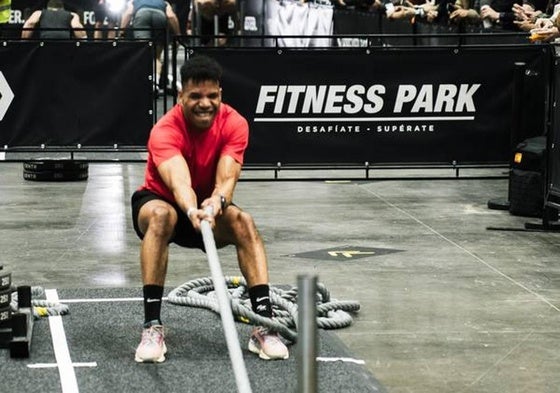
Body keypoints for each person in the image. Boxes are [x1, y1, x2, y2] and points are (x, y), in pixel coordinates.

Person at [130, 55, 290, 363]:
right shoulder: (165, 130)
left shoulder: (235, 123)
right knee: (163, 216)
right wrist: (192, 211)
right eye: (195, 96)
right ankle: (152, 327)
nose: (205, 103)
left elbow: (227, 178)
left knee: (244, 222)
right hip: (164, 203)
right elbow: (179, 183)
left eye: (212, 96)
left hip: (209, 206)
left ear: (220, 94)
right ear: (180, 97)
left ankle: (265, 327)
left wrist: (215, 204)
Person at [119, 0, 181, 92]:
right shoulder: (163, 2)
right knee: (157, 56)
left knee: (143, 52)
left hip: (142, 15)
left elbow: (128, 14)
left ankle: (143, 82)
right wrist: (178, 34)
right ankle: (154, 83)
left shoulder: (135, 1)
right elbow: (171, 16)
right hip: (160, 16)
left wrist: (121, 32)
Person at [21, 0, 87, 39]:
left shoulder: (39, 13)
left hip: (46, 42)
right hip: (64, 43)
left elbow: (30, 23)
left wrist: (24, 41)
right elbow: (76, 26)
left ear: (48, 8)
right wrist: (85, 41)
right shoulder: (72, 14)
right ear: (62, 8)